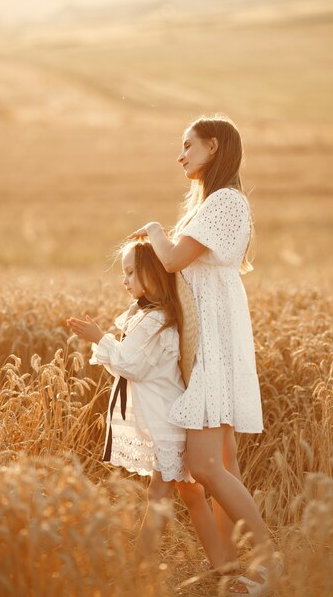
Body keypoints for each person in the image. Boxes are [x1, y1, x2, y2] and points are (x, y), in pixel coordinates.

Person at [128, 115, 283, 595]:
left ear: (213, 147)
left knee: (205, 467)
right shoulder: (216, 203)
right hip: (207, 344)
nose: (181, 154)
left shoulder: (226, 202)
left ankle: (269, 563)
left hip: (214, 347)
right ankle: (243, 572)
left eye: (187, 145)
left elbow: (173, 260)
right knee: (222, 465)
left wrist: (154, 230)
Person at [66, 239, 236, 569]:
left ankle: (137, 570)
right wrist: (107, 341)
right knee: (191, 494)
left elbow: (130, 365)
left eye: (131, 272)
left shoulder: (156, 321)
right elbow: (131, 364)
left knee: (158, 495)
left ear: (152, 274)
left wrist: (100, 337)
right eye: (124, 273)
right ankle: (223, 566)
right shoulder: (150, 317)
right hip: (169, 419)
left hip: (167, 423)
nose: (124, 279)